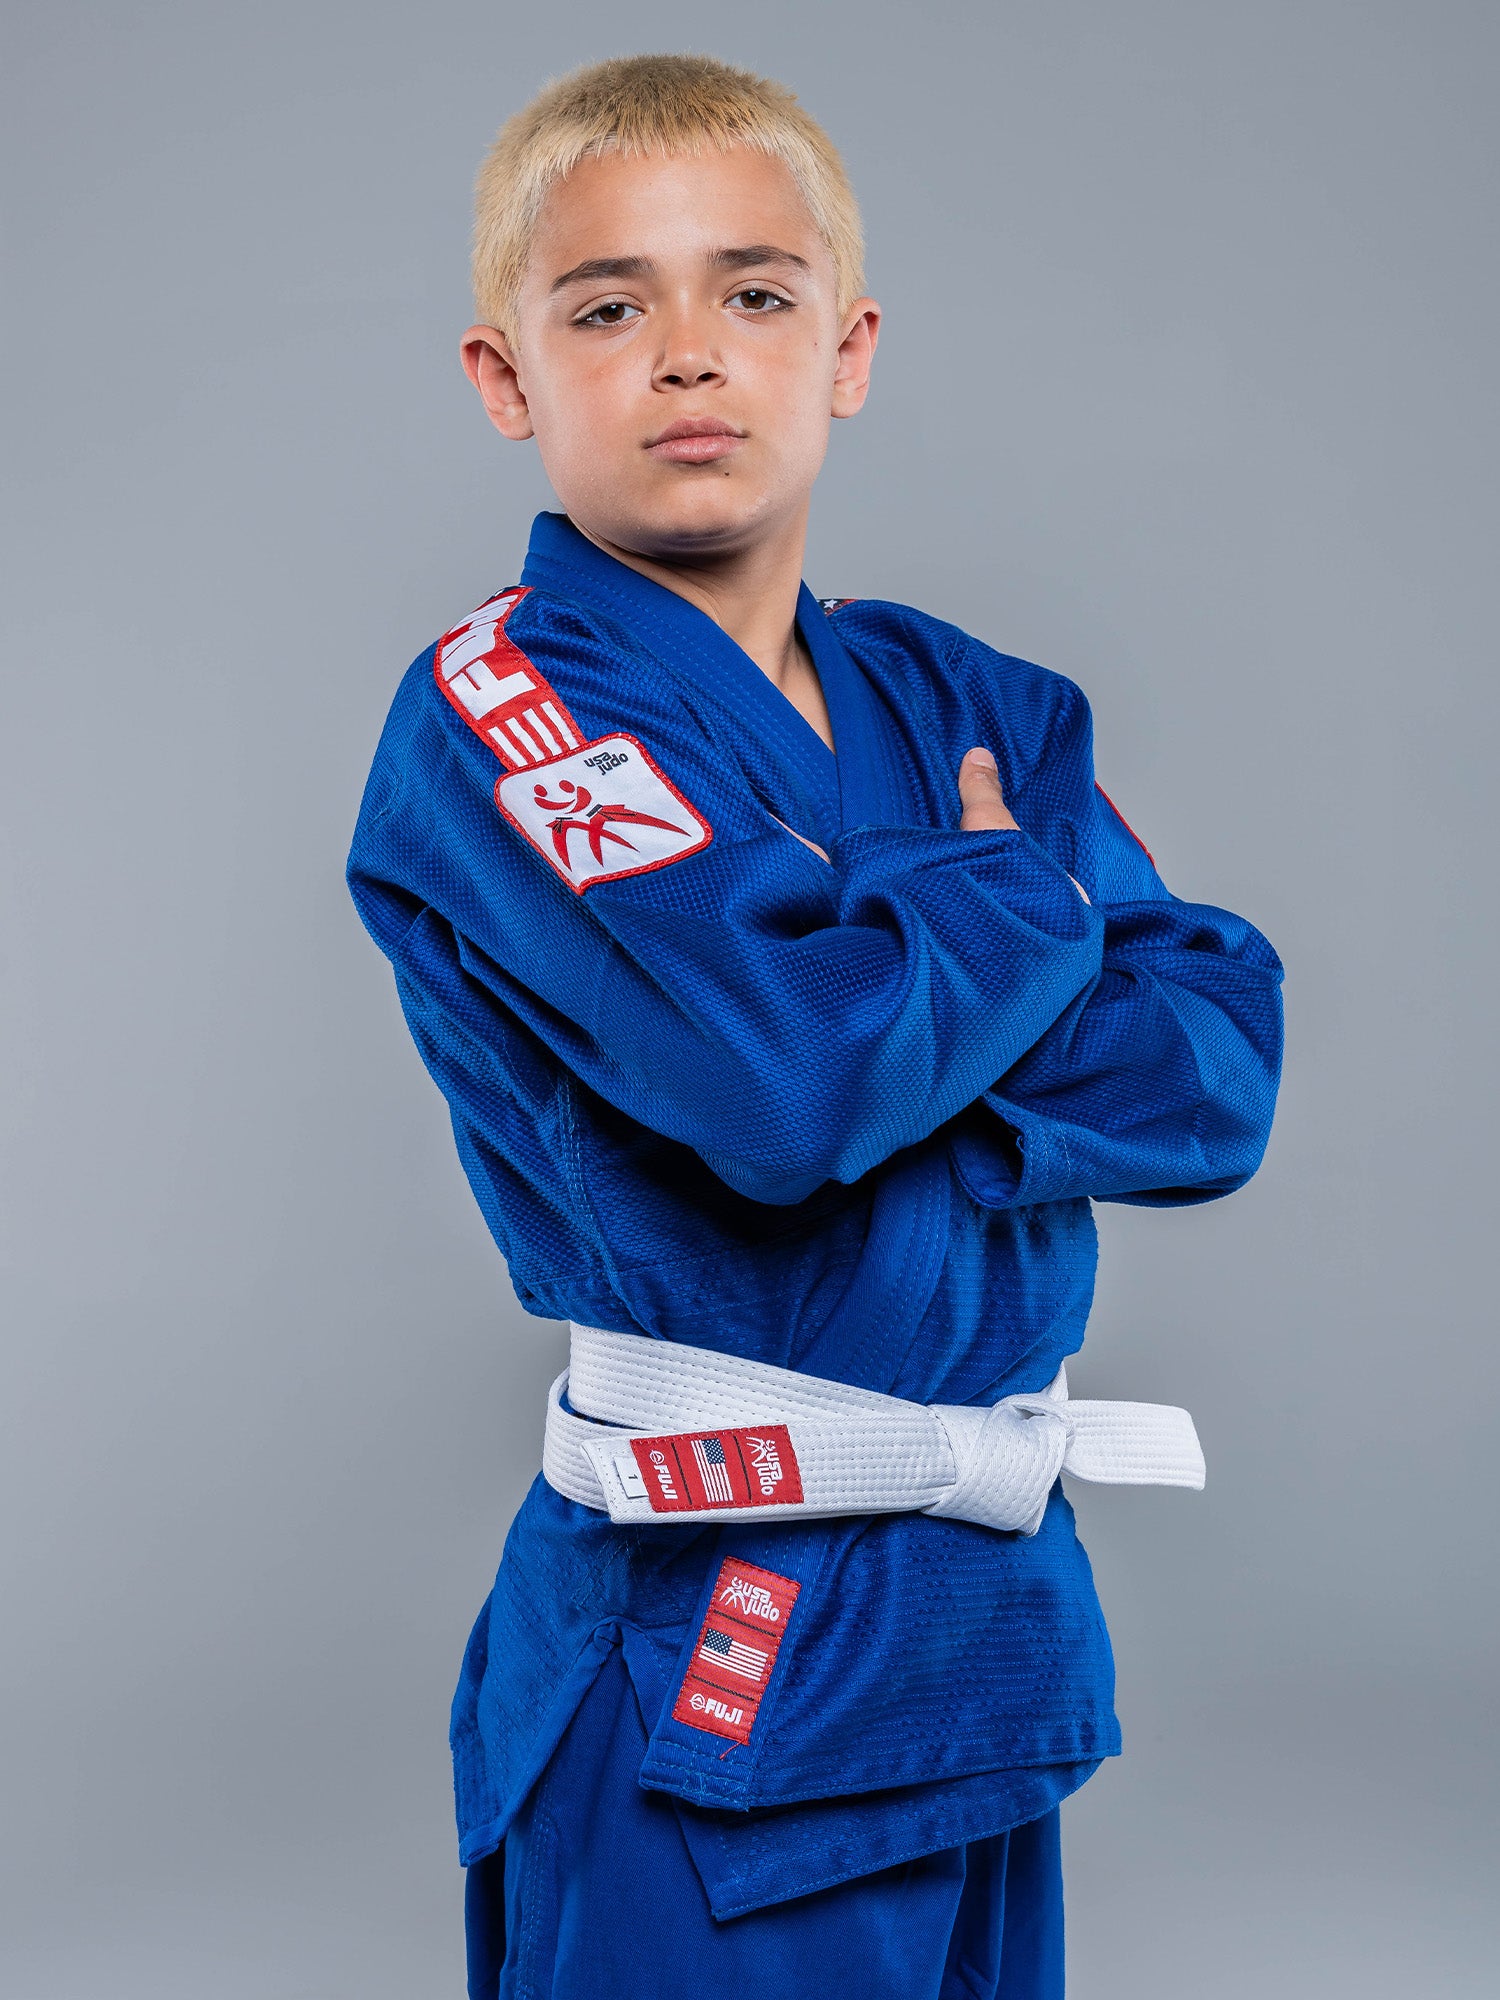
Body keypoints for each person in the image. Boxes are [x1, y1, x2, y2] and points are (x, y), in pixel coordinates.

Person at [346, 52, 1283, 2000]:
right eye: (610, 304)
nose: (690, 352)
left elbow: (1217, 1069)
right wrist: (1021, 902)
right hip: (705, 1647)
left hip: (977, 1630)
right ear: (508, 377)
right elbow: (791, 1083)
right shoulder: (497, 710)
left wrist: (896, 999)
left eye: (754, 293)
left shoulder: (973, 695)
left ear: (845, 349)